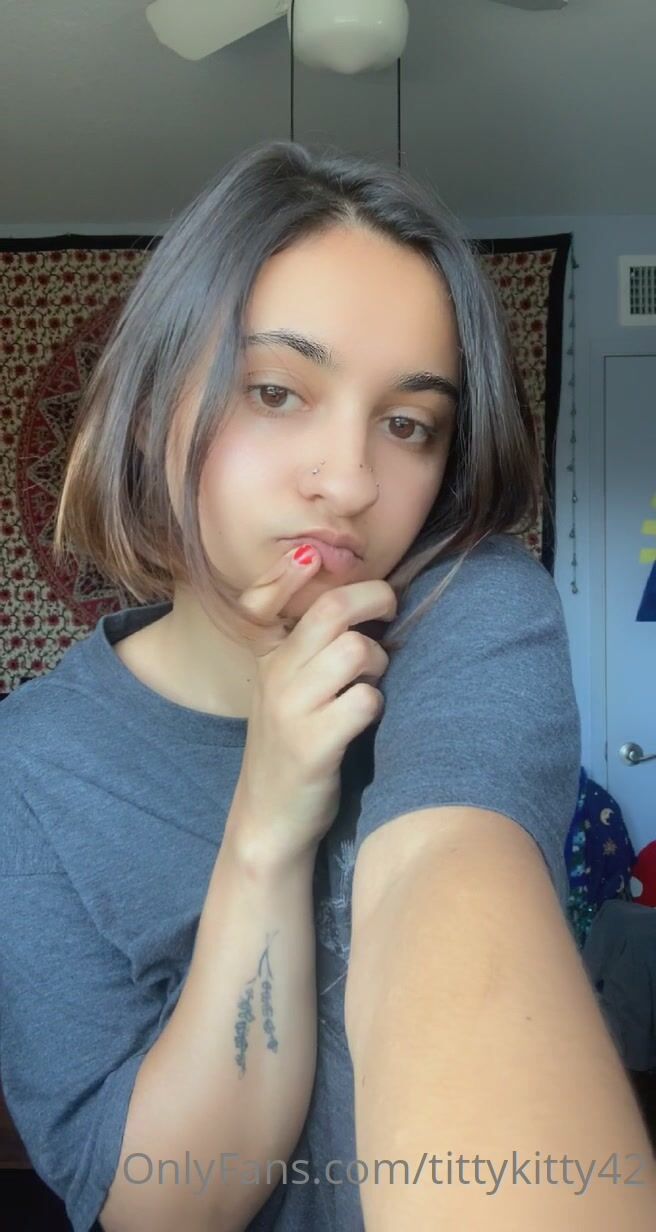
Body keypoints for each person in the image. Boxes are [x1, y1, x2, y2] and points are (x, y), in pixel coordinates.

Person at [0, 139, 653, 1232]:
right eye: (275, 391)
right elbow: (162, 1207)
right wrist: (265, 829)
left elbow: (449, 868)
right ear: (155, 404)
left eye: (408, 425)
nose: (349, 481)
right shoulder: (31, 765)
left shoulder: (466, 611)